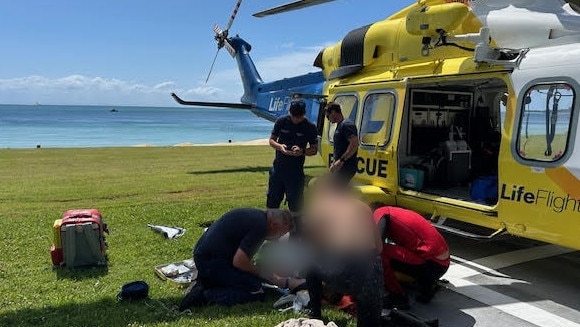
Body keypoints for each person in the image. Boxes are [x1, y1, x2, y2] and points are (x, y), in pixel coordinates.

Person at [178, 207, 300, 311]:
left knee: (251, 280)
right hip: (212, 263)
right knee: (255, 291)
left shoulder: (257, 217)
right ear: (274, 225)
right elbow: (240, 261)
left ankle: (207, 283)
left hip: (206, 258)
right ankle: (205, 296)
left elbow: (244, 259)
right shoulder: (260, 226)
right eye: (280, 233)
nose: (278, 237)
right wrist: (271, 278)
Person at [302, 176, 384, 327]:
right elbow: (379, 248)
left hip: (341, 266)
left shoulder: (319, 204)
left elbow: (314, 242)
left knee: (310, 265)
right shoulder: (362, 206)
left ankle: (315, 312)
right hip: (371, 269)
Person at [372, 205, 450, 309]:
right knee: (393, 252)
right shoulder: (397, 213)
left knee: (381, 254)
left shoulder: (380, 213)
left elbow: (377, 248)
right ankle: (426, 288)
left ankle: (397, 297)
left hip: (431, 264)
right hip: (441, 263)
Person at [267, 99, 318, 217]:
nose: (295, 119)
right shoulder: (281, 121)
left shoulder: (310, 127)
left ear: (304, 114)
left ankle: (296, 232)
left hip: (295, 172)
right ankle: (271, 229)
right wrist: (279, 147)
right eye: (293, 116)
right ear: (289, 112)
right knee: (272, 201)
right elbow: (271, 140)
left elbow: (314, 149)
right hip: (278, 169)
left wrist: (302, 151)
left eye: (298, 117)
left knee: (296, 205)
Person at [324, 102, 359, 184]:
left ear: (333, 112)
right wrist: (334, 163)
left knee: (336, 192)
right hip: (340, 166)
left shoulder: (346, 125)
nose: (328, 119)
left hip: (346, 166)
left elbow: (354, 144)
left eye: (327, 116)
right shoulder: (340, 125)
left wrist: (341, 160)